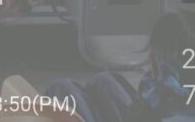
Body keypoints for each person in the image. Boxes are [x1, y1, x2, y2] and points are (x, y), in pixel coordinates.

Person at [46, 12, 195, 122]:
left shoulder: (169, 92)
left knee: (61, 88)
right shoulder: (167, 84)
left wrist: (159, 87)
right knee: (103, 80)